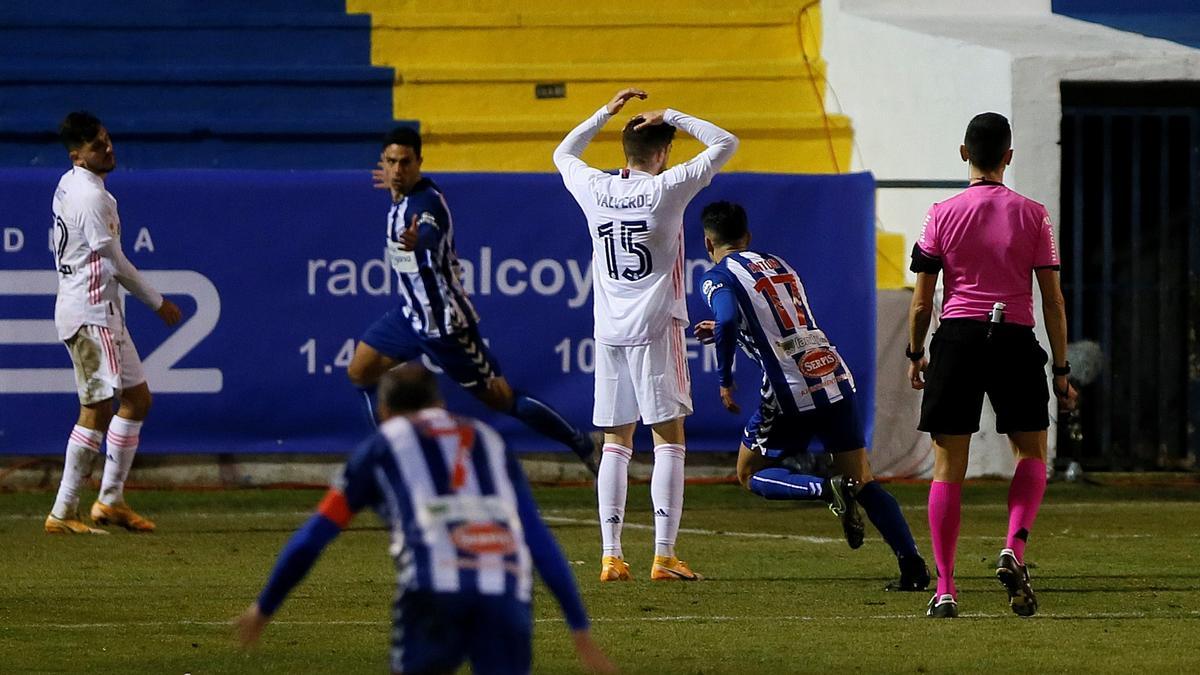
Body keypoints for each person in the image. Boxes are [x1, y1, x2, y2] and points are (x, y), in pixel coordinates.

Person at [236, 364, 615, 674]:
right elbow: (536, 536)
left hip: (433, 594)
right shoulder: (488, 439)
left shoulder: (381, 446)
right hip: (506, 593)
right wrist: (578, 624)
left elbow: (314, 536)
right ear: (438, 400)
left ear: (383, 412)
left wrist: (265, 606)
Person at [693, 201, 930, 591]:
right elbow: (773, 320)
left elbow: (731, 316)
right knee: (864, 479)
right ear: (748, 237)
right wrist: (724, 327)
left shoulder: (716, 277)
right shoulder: (779, 264)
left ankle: (822, 488)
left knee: (748, 473)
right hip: (832, 371)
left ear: (708, 242)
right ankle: (914, 567)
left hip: (790, 388)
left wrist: (724, 377)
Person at [554, 88, 738, 582]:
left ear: (624, 152)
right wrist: (673, 112)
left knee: (615, 440)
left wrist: (603, 114)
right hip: (658, 328)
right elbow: (725, 143)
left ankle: (611, 555)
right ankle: (663, 554)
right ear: (663, 153)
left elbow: (562, 153)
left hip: (609, 332)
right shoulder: (666, 189)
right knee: (668, 439)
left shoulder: (595, 187)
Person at [347, 126, 599, 474]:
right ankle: (391, 463)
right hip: (411, 317)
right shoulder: (400, 193)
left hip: (446, 325)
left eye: (405, 162)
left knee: (502, 398)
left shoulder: (426, 204)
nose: (397, 169)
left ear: (420, 162)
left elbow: (430, 232)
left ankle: (582, 442)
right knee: (360, 371)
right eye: (391, 162)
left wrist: (417, 240)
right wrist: (394, 186)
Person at [906, 112, 1078, 619]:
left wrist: (917, 354)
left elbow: (921, 303)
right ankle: (1014, 548)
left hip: (957, 339)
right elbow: (1054, 301)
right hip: (1013, 339)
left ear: (964, 153)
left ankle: (945, 589)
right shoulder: (1034, 215)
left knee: (947, 467)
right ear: (1009, 155)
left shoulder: (940, 213)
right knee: (1031, 454)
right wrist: (1061, 369)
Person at [44, 112, 183, 535]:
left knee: (137, 400)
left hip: (104, 311)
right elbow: (114, 260)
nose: (108, 149)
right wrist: (157, 302)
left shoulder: (75, 183)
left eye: (107, 140)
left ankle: (110, 500)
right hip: (88, 314)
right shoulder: (90, 197)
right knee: (96, 408)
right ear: (78, 156)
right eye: (97, 146)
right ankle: (63, 511)